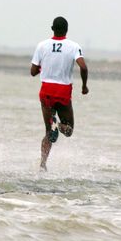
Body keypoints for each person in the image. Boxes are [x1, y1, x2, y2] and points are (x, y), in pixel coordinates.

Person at [30, 17, 89, 171]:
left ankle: (43, 164)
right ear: (67, 30)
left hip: (46, 90)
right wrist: (84, 86)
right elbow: (83, 67)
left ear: (52, 28)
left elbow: (32, 72)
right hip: (63, 91)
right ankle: (59, 125)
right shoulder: (74, 46)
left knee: (49, 132)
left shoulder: (42, 45)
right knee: (68, 131)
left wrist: (43, 68)